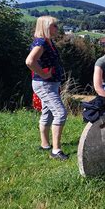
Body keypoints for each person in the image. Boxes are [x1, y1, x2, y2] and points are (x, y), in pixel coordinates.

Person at [25, 16, 68, 160]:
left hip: (50, 83)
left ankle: (45, 145)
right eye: (54, 25)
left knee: (47, 113)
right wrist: (43, 74)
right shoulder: (42, 42)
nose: (57, 28)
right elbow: (30, 61)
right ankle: (56, 151)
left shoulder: (48, 41)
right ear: (45, 27)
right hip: (45, 84)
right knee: (60, 113)